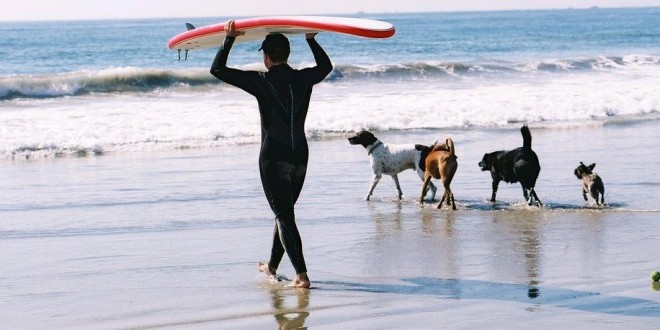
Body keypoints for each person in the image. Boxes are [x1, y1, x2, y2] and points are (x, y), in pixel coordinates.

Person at [210, 20, 333, 288]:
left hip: (273, 158)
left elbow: (217, 69)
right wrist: (311, 40)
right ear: (286, 55)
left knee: (284, 215)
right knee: (284, 213)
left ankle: (301, 275)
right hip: (300, 155)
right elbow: (326, 67)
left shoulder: (261, 81)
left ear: (266, 57)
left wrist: (229, 38)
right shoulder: (304, 78)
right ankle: (273, 265)